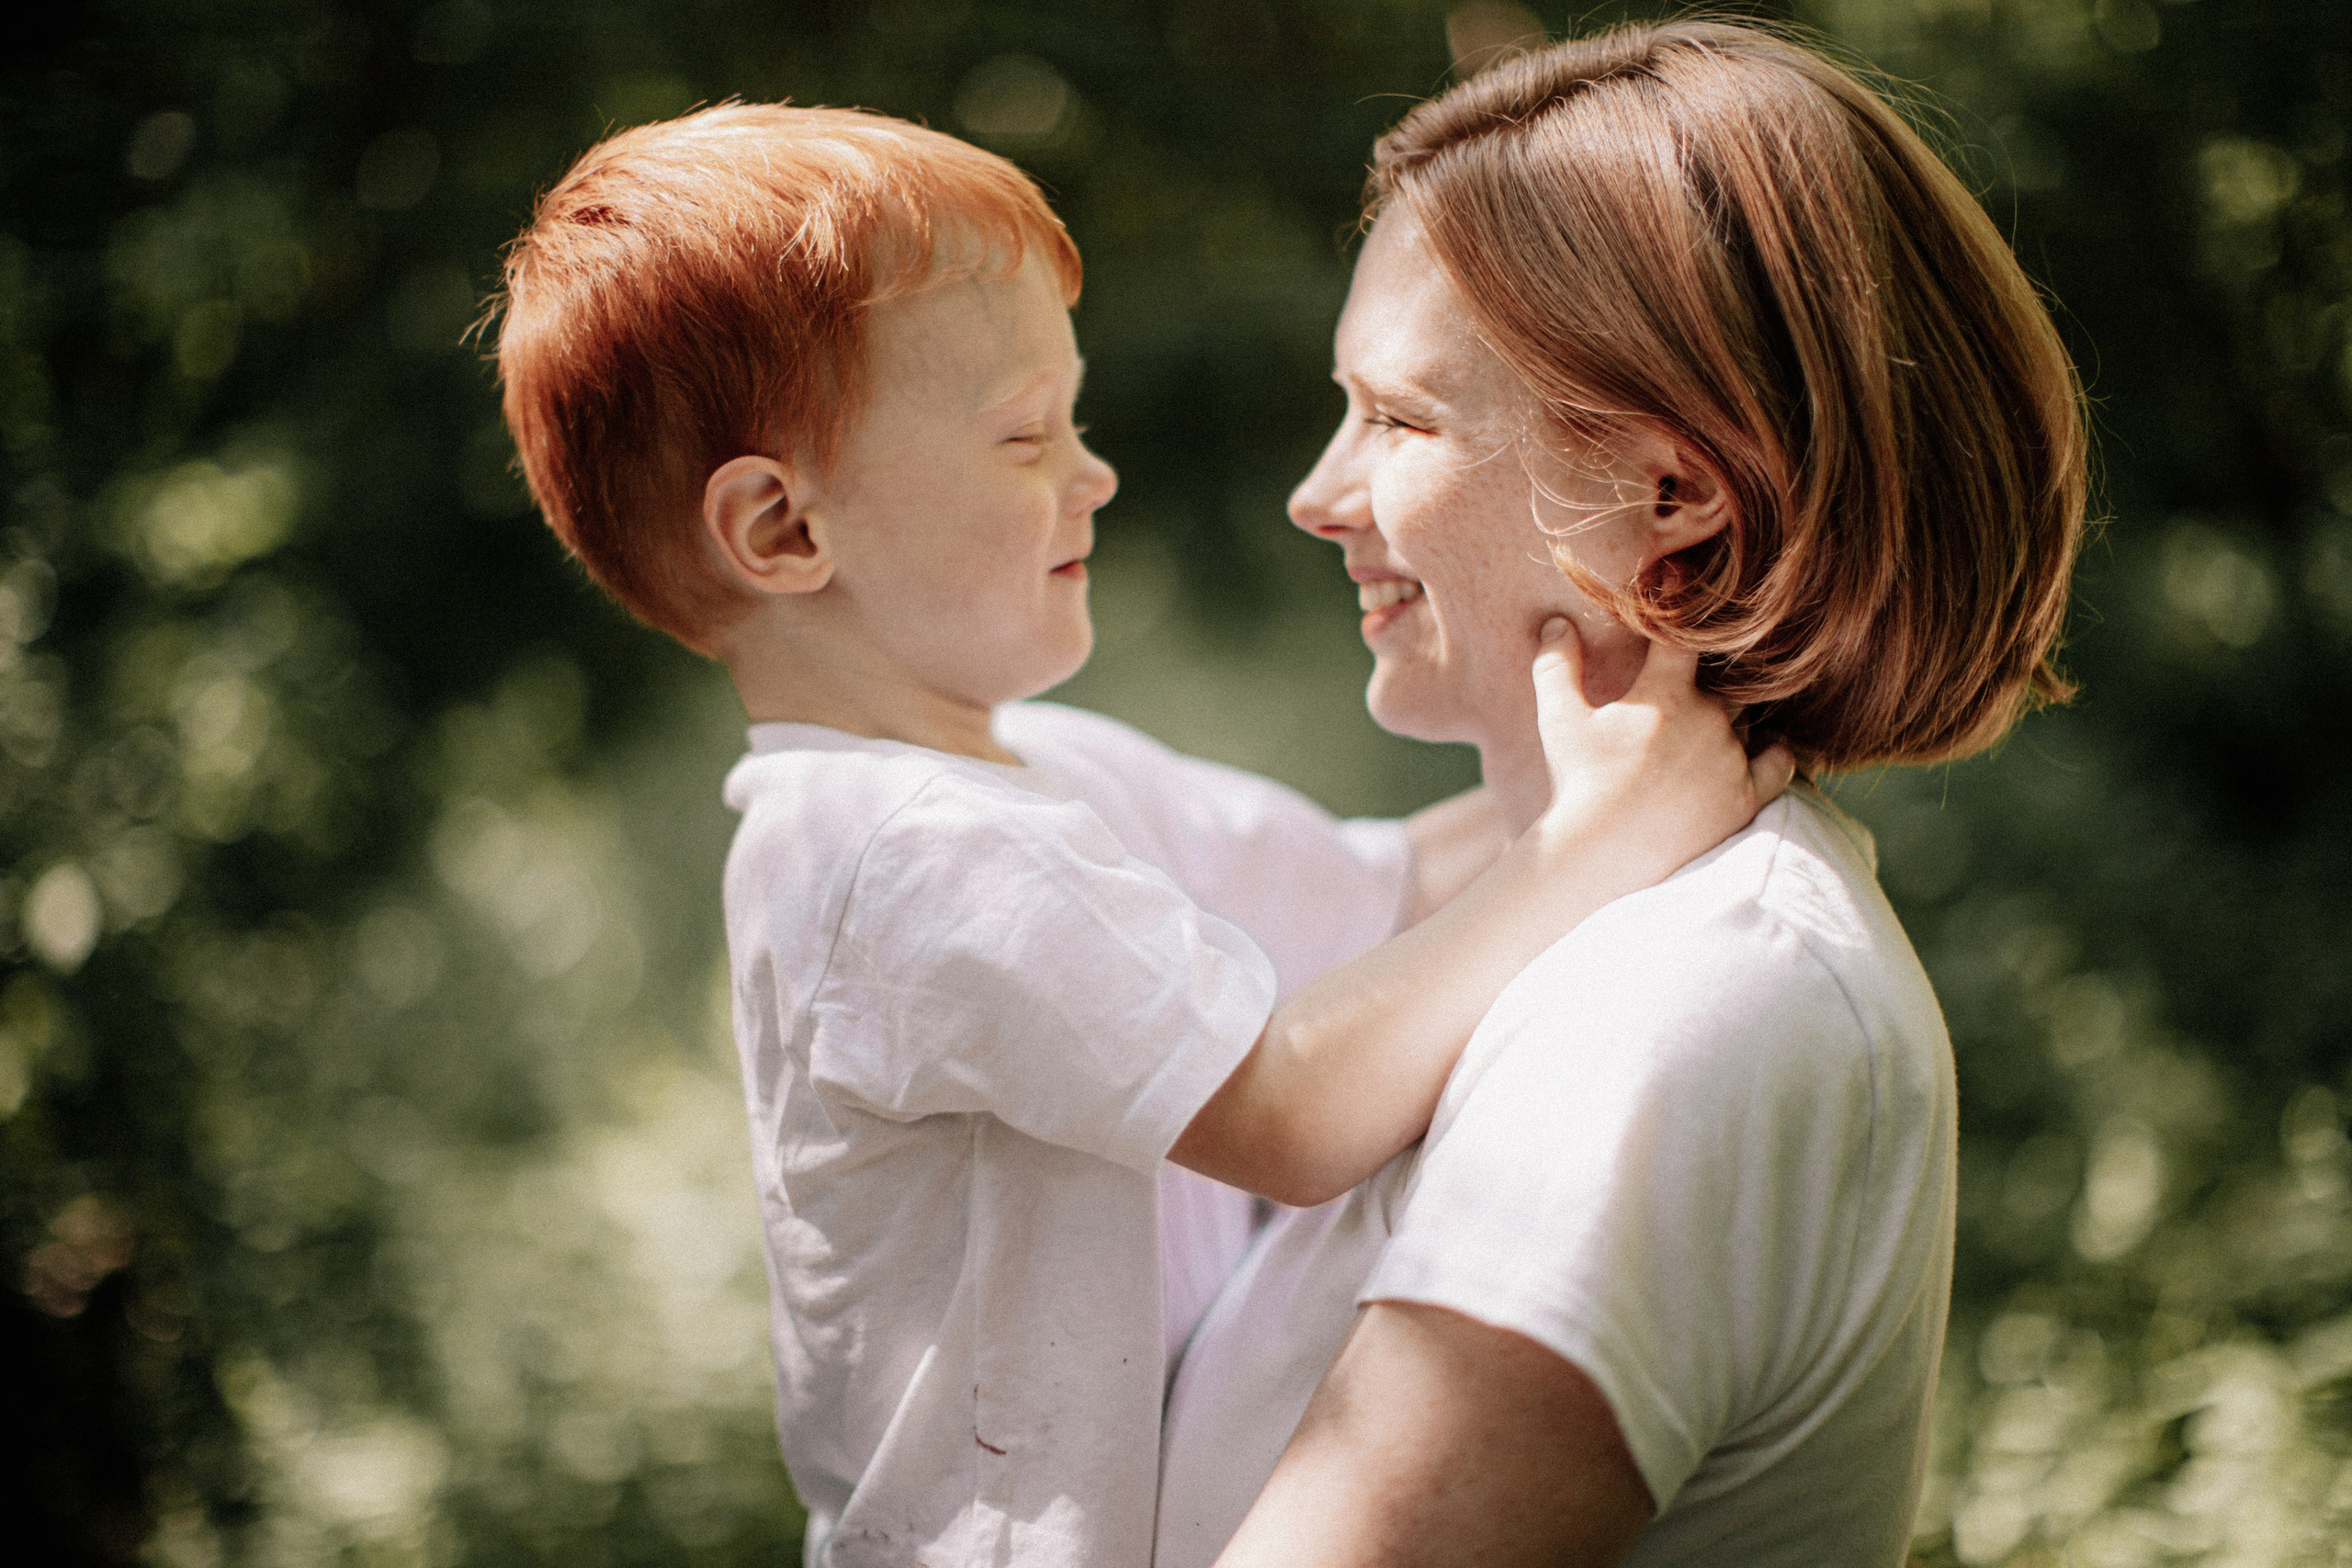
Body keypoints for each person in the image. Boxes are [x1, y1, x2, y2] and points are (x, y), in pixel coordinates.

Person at [489, 105, 1788, 1567]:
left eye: (1077, 422)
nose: (1092, 476)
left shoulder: (1043, 775)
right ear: (785, 533)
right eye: (1025, 438)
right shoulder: (896, 855)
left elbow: (1390, 891)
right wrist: (1602, 842)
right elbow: (1291, 1118)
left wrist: (1646, 749)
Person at [1156, 20, 2087, 1568]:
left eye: (1398, 418)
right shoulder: (1554, 933)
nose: (1317, 497)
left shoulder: (1686, 1007)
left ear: (1673, 494)